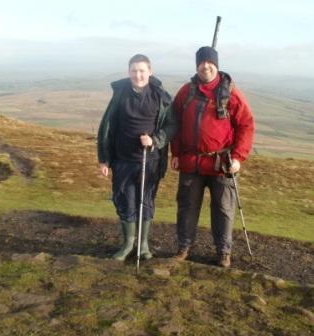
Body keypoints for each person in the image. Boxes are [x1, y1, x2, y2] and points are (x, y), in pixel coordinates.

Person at [170, 46, 255, 268]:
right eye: (201, 62)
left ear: (216, 65)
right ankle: (184, 248)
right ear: (196, 65)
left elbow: (246, 124)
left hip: (222, 164)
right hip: (191, 161)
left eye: (209, 62)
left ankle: (223, 253)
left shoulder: (231, 92)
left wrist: (238, 157)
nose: (205, 66)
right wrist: (176, 153)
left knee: (224, 209)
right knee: (187, 207)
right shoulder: (186, 91)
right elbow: (175, 123)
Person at [97, 54, 176, 261]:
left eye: (142, 70)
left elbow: (172, 126)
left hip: (150, 162)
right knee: (125, 201)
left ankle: (143, 246)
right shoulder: (119, 96)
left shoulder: (161, 97)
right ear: (128, 72)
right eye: (134, 71)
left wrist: (154, 140)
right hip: (123, 160)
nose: (138, 75)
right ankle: (128, 244)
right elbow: (106, 127)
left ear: (150, 71)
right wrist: (104, 159)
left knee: (146, 201)